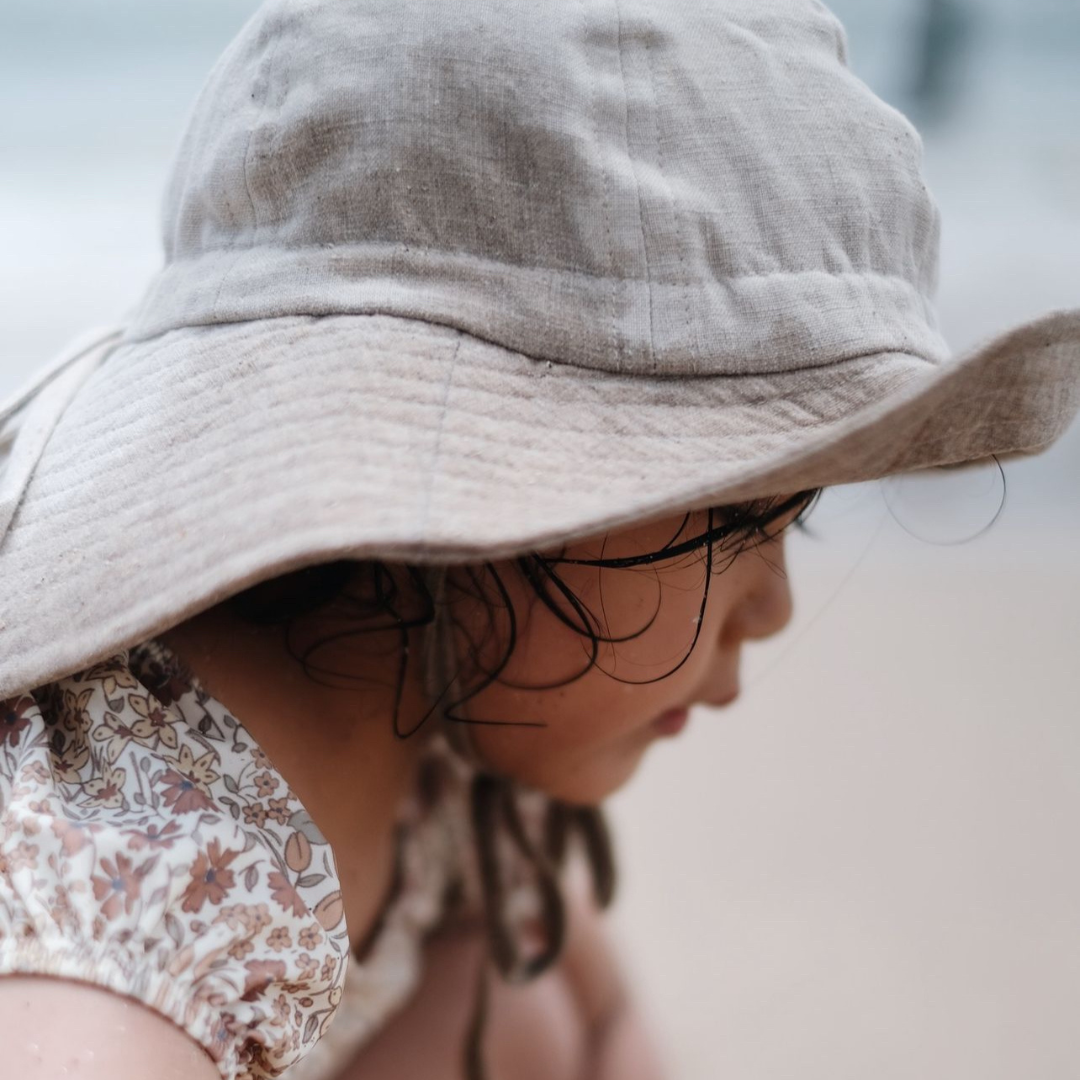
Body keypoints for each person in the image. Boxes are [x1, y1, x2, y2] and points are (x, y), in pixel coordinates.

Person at [0, 1, 1076, 1079]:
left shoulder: (421, 702)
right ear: (486, 512)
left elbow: (607, 1029)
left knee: (520, 996)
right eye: (744, 515)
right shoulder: (148, 901)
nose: (775, 608)